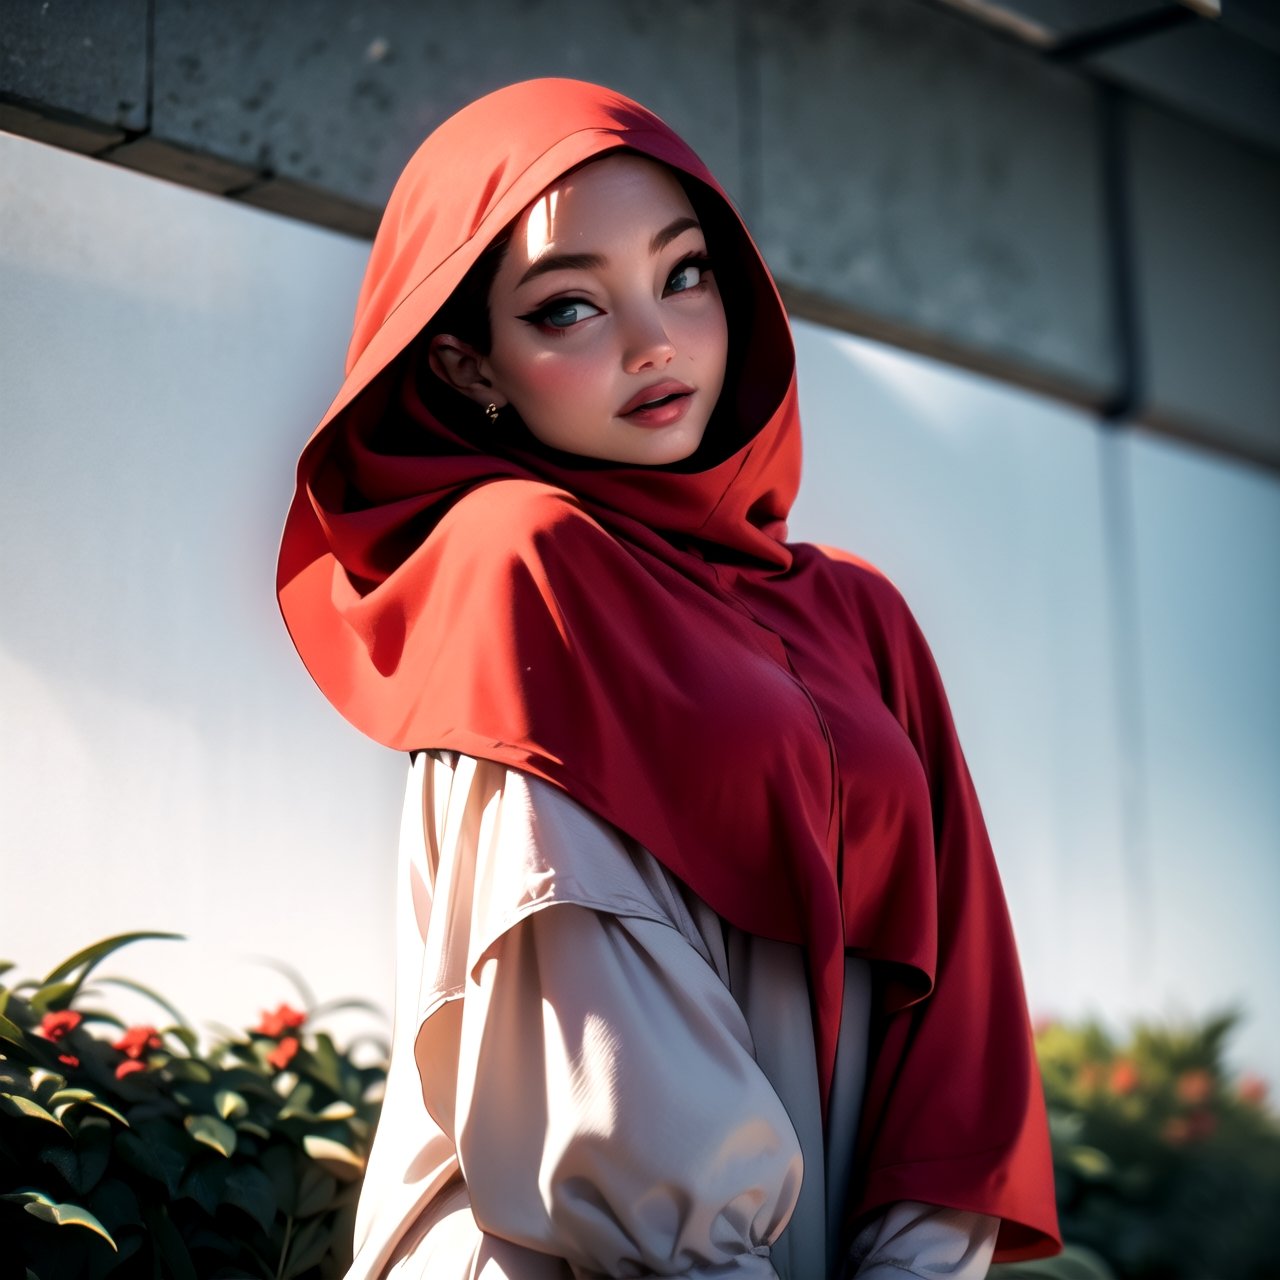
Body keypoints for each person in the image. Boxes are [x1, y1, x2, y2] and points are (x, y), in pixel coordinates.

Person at [277, 78, 1062, 1279]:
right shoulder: (520, 556)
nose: (653, 342)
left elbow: (959, 1022)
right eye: (569, 306)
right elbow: (604, 1050)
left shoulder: (857, 613)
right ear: (467, 364)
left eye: (683, 274)